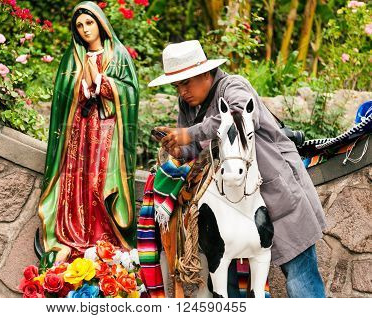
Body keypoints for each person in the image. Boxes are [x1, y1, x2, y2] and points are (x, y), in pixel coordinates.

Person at [148, 40, 327, 298]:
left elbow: (238, 118)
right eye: (177, 85)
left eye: (186, 82)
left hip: (275, 190)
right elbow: (198, 146)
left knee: (300, 274)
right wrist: (180, 149)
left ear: (205, 73)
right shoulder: (187, 105)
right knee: (227, 282)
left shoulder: (234, 86)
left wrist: (188, 134)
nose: (182, 91)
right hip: (230, 205)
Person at [38, 1, 139, 262]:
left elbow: (130, 93)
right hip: (79, 133)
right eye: (80, 25)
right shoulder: (72, 59)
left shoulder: (118, 55)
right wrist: (81, 88)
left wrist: (102, 83)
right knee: (78, 185)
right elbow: (63, 97)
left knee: (99, 184)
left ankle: (105, 244)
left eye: (89, 22)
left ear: (101, 23)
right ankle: (78, 242)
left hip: (108, 133)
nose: (85, 29)